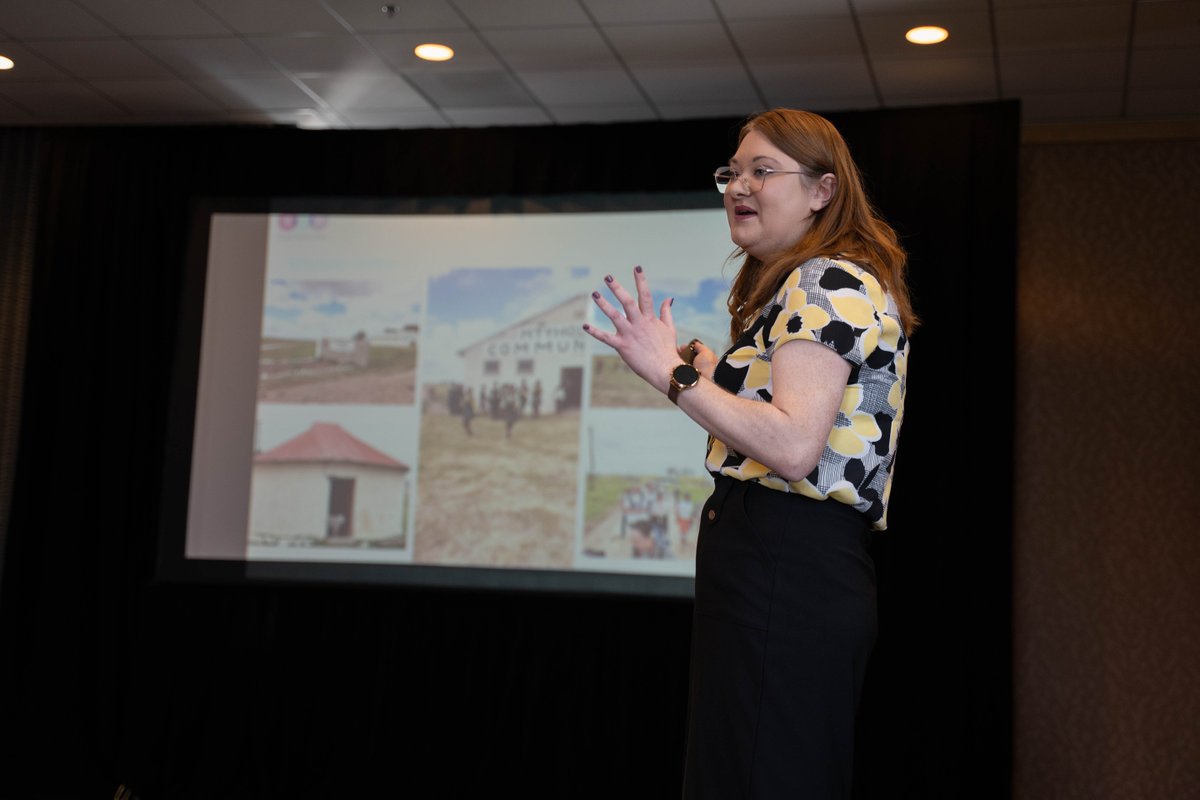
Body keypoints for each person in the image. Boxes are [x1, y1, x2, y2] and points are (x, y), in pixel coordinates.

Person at [584, 108, 915, 799]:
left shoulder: (825, 280)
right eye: (732, 172)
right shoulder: (808, 283)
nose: (740, 185)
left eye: (763, 171)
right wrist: (703, 364)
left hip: (788, 567)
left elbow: (793, 445)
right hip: (777, 568)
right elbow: (786, 411)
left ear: (822, 190)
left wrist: (671, 376)